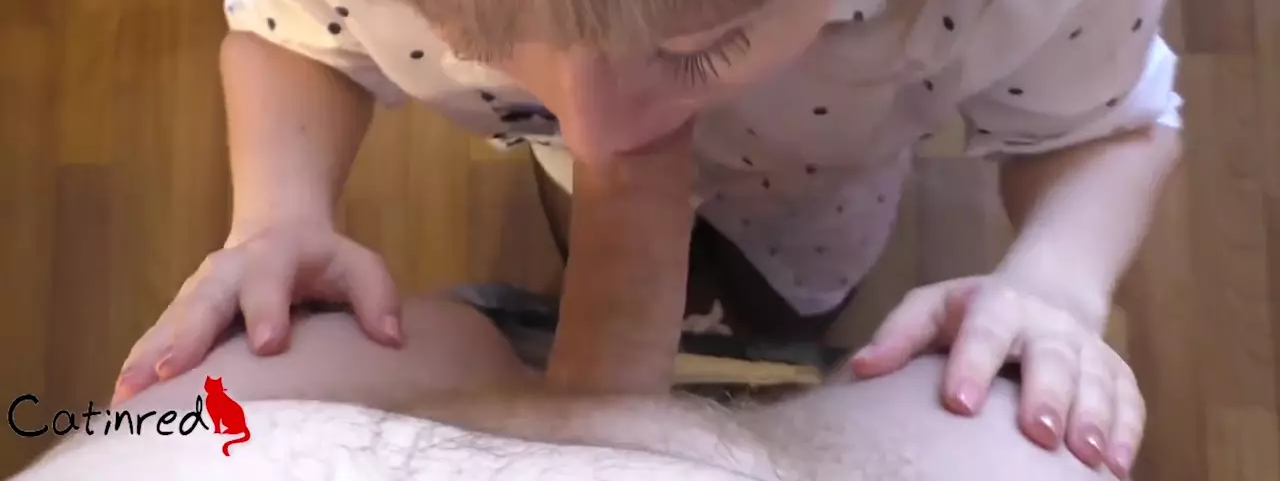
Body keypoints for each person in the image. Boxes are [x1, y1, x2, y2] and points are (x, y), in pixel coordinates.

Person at [111, 0, 1182, 478]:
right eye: (480, 29)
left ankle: (785, 308)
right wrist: (278, 214)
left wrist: (1053, 284)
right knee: (570, 195)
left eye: (698, 43)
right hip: (573, 179)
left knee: (798, 290)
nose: (592, 127)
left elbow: (1105, 125)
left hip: (818, 179)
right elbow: (295, 28)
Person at [17, 294, 1123, 480]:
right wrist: (1056, 287)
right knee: (1016, 409)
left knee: (436, 326)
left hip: (323, 390)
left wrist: (278, 209)